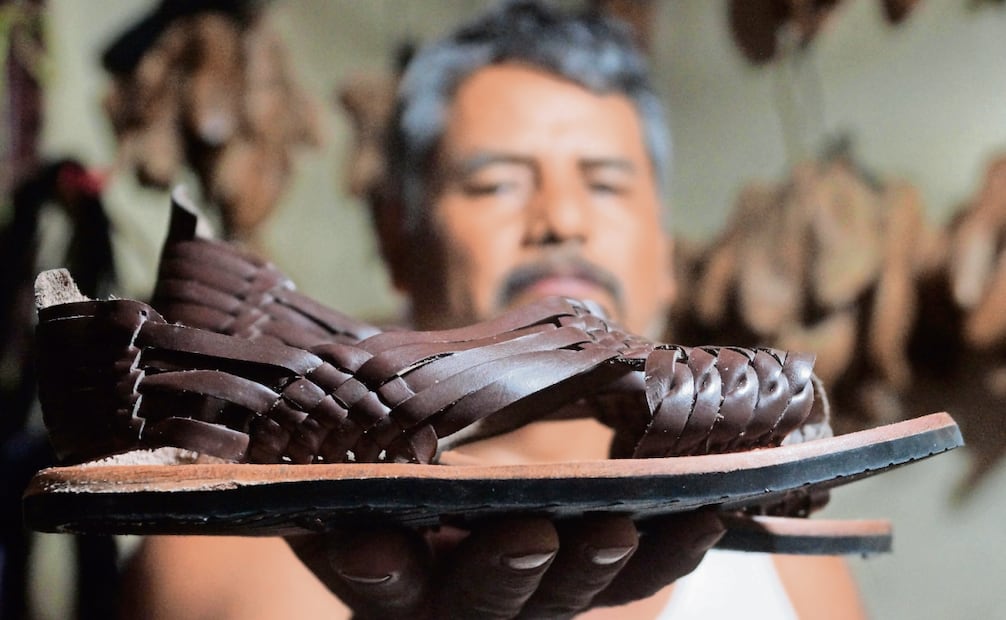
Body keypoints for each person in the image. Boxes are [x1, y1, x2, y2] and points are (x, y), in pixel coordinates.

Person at [119, 1, 865, 617]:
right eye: (497, 183)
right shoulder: (229, 553)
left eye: (605, 185)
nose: (560, 221)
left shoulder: (788, 571)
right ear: (398, 239)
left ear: (667, 258)